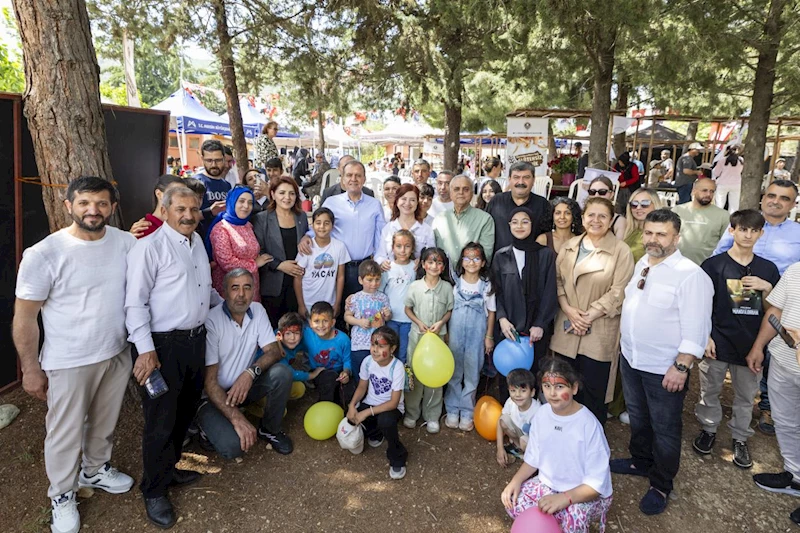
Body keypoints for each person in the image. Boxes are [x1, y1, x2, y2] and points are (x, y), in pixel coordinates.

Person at [13, 177, 136, 533]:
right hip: (68, 360)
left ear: (112, 207)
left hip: (115, 352)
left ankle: (95, 470)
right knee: (64, 432)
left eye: (100, 203)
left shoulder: (126, 243)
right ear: (68, 206)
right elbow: (25, 318)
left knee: (104, 422)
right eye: (84, 203)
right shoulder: (44, 254)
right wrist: (31, 369)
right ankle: (62, 495)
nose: (93, 210)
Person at [125, 186, 224, 528]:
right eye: (181, 208)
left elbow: (204, 290)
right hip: (162, 347)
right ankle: (153, 490)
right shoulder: (148, 248)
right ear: (164, 210)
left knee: (183, 414)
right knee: (161, 420)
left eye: (194, 209)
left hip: (195, 342)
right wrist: (146, 351)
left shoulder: (197, 243)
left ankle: (170, 470)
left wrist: (232, 309)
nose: (188, 215)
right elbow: (134, 303)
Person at [611, 209, 713, 516]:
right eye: (649, 233)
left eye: (661, 234)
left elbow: (697, 328)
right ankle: (640, 461)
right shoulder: (643, 262)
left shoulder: (691, 275)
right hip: (632, 359)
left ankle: (661, 483)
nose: (653, 239)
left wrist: (681, 366)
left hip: (665, 369)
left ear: (677, 237)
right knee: (639, 419)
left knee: (666, 428)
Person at [713, 180, 800, 434]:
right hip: (739, 302)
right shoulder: (744, 226)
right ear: (763, 198)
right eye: (771, 195)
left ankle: (768, 408)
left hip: (784, 305)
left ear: (793, 204)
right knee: (749, 353)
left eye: (784, 198)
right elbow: (718, 257)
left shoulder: (797, 233)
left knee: (775, 357)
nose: (776, 201)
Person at [693, 210, 779, 468]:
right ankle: (708, 430)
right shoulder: (713, 265)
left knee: (745, 396)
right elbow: (700, 306)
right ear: (732, 231)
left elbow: (772, 311)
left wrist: (768, 288)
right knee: (710, 390)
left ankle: (740, 438)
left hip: (749, 346)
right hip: (717, 343)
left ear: (761, 234)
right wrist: (706, 336)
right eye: (743, 229)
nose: (748, 235)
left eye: (754, 230)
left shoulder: (768, 269)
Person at [501, 357, 613, 533]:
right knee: (513, 501)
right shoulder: (542, 414)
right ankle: (552, 523)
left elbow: (595, 485)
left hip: (583, 492)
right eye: (547, 386)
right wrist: (515, 481)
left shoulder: (588, 425)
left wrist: (564, 498)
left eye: (559, 386)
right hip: (549, 484)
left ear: (574, 388)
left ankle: (558, 523)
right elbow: (533, 458)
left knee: (574, 516)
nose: (552, 393)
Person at [550, 197, 635, 425]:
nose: (595, 220)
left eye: (602, 216)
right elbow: (557, 281)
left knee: (593, 393)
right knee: (563, 387)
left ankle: (591, 444)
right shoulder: (569, 247)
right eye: (591, 215)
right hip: (567, 326)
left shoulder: (620, 251)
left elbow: (620, 290)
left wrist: (588, 316)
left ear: (610, 221)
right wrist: (568, 309)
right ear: (583, 217)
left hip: (598, 329)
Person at [197, 268, 294, 460]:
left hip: (243, 388)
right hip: (213, 397)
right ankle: (203, 427)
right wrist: (237, 418)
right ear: (224, 291)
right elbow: (209, 384)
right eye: (235, 288)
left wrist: (250, 373)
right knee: (233, 447)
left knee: (282, 373)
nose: (241, 294)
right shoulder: (211, 321)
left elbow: (274, 351)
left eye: (247, 287)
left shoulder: (257, 310)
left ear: (253, 290)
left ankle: (270, 430)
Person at [491, 207, 558, 403]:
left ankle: (532, 423)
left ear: (533, 224)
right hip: (508, 328)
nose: (520, 226)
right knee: (508, 377)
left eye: (525, 221)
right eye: (515, 222)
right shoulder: (501, 256)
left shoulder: (545, 255)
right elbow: (497, 291)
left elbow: (549, 291)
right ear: (509, 226)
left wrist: (540, 324)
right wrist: (502, 319)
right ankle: (509, 419)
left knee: (533, 375)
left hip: (534, 330)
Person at [750, 279, 800, 527]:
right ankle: (795, 477)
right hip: (783, 362)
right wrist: (759, 346)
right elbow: (776, 310)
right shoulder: (796, 269)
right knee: (785, 422)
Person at [307, 160, 386, 304]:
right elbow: (320, 226)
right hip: (338, 268)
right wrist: (306, 237)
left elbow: (380, 236)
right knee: (338, 310)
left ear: (364, 179)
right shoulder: (331, 202)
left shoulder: (374, 204)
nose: (353, 179)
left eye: (358, 175)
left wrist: (380, 261)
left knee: (363, 311)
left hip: (365, 268)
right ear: (342, 178)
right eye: (349, 175)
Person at [445, 242, 496, 431]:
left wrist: (489, 336)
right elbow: (449, 309)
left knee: (473, 371)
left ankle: (467, 411)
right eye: (467, 258)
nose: (471, 262)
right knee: (455, 370)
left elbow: (491, 312)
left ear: (483, 262)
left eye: (476, 258)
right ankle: (452, 408)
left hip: (477, 334)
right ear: (462, 261)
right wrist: (447, 333)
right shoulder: (456, 283)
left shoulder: (486, 286)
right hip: (456, 334)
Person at [346, 326, 409, 480]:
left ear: (392, 348)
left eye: (381, 346)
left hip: (391, 408)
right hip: (371, 403)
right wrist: (352, 406)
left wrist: (366, 413)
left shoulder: (397, 367)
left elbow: (394, 403)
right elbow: (362, 386)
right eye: (373, 345)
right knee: (350, 417)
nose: (375, 350)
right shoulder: (368, 361)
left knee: (385, 421)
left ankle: (397, 456)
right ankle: (375, 433)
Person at [403, 247, 454, 433]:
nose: (434, 266)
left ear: (443, 267)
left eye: (439, 262)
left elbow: (449, 310)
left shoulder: (447, 288)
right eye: (430, 262)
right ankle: (411, 413)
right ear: (423, 264)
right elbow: (407, 308)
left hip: (438, 340)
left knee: (436, 377)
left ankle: (432, 415)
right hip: (417, 337)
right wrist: (418, 322)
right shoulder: (415, 286)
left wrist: (441, 323)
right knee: (415, 374)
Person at [253, 176, 308, 324]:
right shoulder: (262, 218)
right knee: (274, 327)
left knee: (297, 327)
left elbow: (308, 237)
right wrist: (279, 265)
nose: (287, 197)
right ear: (272, 194)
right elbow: (258, 249)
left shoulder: (301, 216)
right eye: (282, 193)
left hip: (298, 280)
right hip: (273, 282)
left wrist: (307, 237)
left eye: (291, 193)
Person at [207, 187, 271, 303]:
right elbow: (227, 262)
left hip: (251, 285)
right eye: (241, 201)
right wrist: (255, 264)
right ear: (232, 202)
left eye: (250, 202)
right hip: (232, 288)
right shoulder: (221, 229)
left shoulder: (248, 225)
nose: (246, 206)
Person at [294, 207, 350, 318]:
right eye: (318, 223)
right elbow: (297, 278)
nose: (322, 227)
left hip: (329, 302)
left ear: (332, 226)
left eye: (326, 223)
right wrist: (301, 305)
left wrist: (337, 303)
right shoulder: (306, 247)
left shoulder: (339, 247)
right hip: (309, 301)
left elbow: (340, 277)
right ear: (312, 225)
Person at [433, 175, 495, 271]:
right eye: (456, 189)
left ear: (472, 193)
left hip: (471, 278)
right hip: (442, 277)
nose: (461, 193)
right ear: (450, 192)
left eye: (465, 189)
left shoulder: (485, 219)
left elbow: (486, 255)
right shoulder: (439, 219)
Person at [486, 161, 551, 251]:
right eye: (516, 177)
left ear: (533, 180)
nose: (521, 182)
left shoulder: (542, 205)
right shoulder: (497, 201)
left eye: (526, 177)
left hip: (533, 261)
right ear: (509, 179)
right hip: (499, 262)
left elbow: (548, 236)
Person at [344, 260, 393, 372]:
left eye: (377, 279)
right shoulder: (355, 298)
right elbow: (347, 316)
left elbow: (387, 318)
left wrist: (387, 315)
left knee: (376, 372)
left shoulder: (383, 297)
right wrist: (359, 322)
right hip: (359, 344)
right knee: (360, 372)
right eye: (369, 280)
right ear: (360, 280)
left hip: (378, 344)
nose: (374, 283)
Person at [302, 301, 355, 405]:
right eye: (316, 321)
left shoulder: (343, 339)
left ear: (333, 322)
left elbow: (347, 360)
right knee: (329, 380)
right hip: (319, 372)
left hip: (340, 372)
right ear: (310, 323)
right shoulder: (307, 334)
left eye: (325, 321)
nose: (321, 325)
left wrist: (346, 372)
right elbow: (288, 333)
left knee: (349, 389)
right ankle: (324, 406)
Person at [671, 178, 731, 266]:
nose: (708, 194)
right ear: (694, 191)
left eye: (712, 191)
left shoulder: (723, 215)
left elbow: (726, 244)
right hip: (676, 265)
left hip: (707, 268)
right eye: (704, 190)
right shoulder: (677, 211)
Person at [375, 184, 435, 269]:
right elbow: (380, 254)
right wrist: (382, 262)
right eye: (403, 199)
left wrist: (423, 260)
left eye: (412, 200)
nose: (407, 203)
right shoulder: (388, 228)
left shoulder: (426, 229)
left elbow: (432, 255)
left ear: (417, 202)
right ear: (397, 201)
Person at [379, 230, 417, 364]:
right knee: (390, 352)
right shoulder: (388, 268)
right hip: (391, 319)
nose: (403, 250)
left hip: (409, 320)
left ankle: (404, 383)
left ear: (412, 248)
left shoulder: (415, 267)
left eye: (407, 246)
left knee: (404, 354)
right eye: (399, 246)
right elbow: (380, 292)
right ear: (393, 247)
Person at [496, 369, 539, 467]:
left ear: (532, 392)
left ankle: (531, 461)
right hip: (521, 435)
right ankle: (519, 449)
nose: (518, 395)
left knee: (524, 440)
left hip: (533, 441)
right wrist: (500, 448)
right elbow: (499, 422)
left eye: (523, 391)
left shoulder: (537, 411)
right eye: (513, 390)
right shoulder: (510, 402)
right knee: (503, 420)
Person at [129, 174, 184, 239]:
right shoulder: (144, 230)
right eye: (175, 193)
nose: (182, 199)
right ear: (159, 194)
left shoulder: (182, 225)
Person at [620, 188, 661, 262]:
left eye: (645, 204)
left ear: (655, 204)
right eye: (634, 204)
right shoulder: (628, 231)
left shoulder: (660, 234)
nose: (638, 208)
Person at [195, 139, 231, 213]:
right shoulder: (196, 182)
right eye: (209, 161)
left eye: (218, 160)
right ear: (202, 159)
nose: (214, 165)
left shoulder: (227, 185)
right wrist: (210, 212)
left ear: (224, 159)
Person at [712, 146, 744, 212]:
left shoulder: (722, 160)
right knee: (734, 205)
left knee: (719, 203)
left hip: (722, 183)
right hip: (737, 184)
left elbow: (716, 173)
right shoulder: (741, 160)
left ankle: (719, 218)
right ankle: (732, 220)